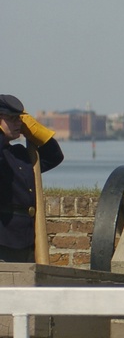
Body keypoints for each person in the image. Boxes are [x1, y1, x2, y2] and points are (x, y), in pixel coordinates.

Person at [0, 94, 64, 262]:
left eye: (20, 119)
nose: (18, 123)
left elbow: (54, 156)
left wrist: (36, 131)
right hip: (4, 238)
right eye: (12, 119)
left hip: (26, 237)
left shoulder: (19, 154)